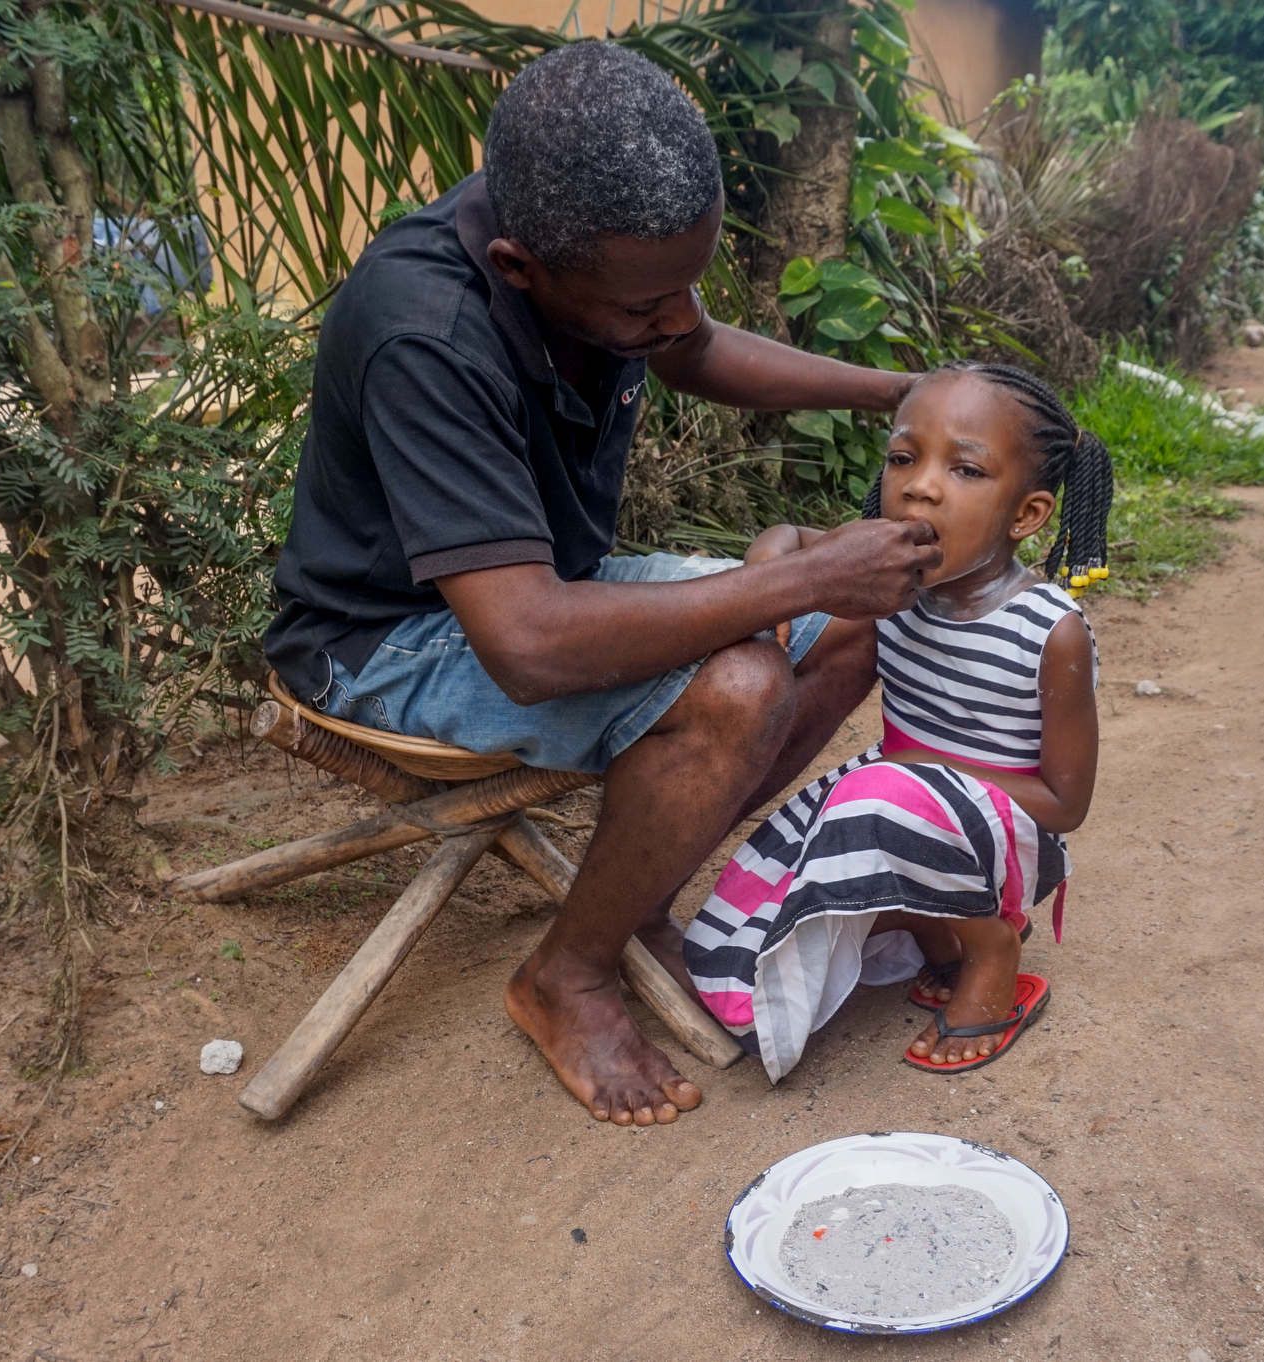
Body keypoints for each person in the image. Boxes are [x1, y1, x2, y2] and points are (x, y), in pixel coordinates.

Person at [263, 42, 941, 1128]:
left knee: (850, 626)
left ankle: (635, 893)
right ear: (522, 267)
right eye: (642, 306)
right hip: (386, 642)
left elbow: (693, 349)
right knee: (740, 685)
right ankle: (566, 973)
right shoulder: (423, 332)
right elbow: (529, 646)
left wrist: (909, 392)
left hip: (537, 590)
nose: (672, 319)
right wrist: (800, 572)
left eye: (687, 283)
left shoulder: (599, 239)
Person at [684, 362, 1108, 1082]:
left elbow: (1066, 806)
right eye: (904, 458)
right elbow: (786, 537)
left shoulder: (1050, 631)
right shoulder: (892, 580)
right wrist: (772, 572)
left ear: (1026, 515)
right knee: (742, 921)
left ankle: (991, 951)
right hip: (896, 798)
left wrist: (918, 774)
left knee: (874, 806)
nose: (920, 485)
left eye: (965, 470)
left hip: (1005, 835)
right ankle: (937, 940)